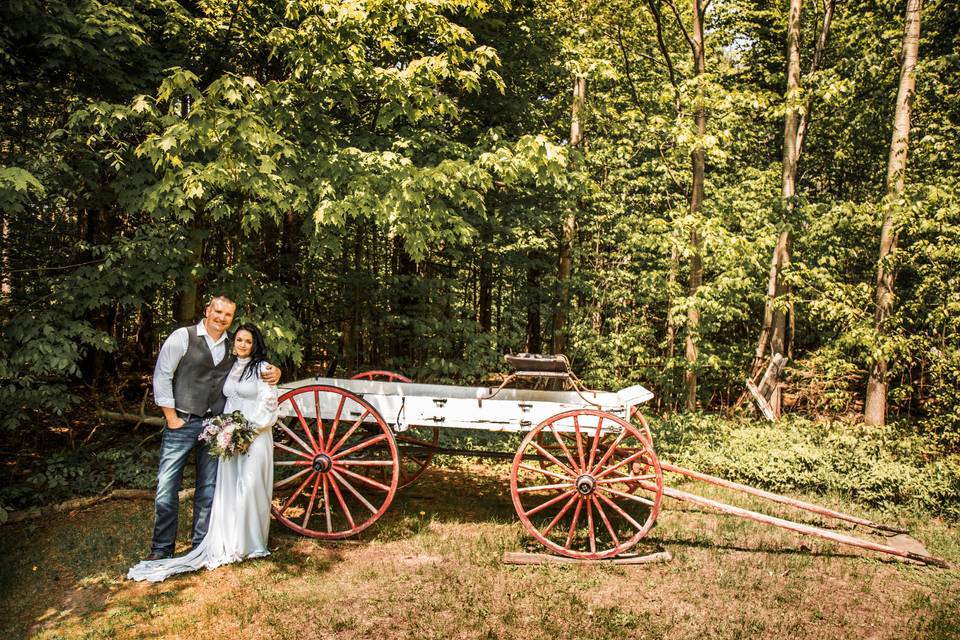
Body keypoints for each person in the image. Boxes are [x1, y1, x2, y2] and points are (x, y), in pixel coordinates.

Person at [128, 323, 279, 581]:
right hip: (217, 430)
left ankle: (244, 543)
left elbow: (268, 402)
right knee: (198, 485)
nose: (242, 344)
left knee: (233, 487)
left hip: (247, 435)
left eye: (248, 341)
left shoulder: (260, 368)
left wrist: (245, 431)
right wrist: (173, 417)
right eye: (239, 340)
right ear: (208, 312)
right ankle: (164, 548)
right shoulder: (215, 354)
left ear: (255, 344)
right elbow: (163, 374)